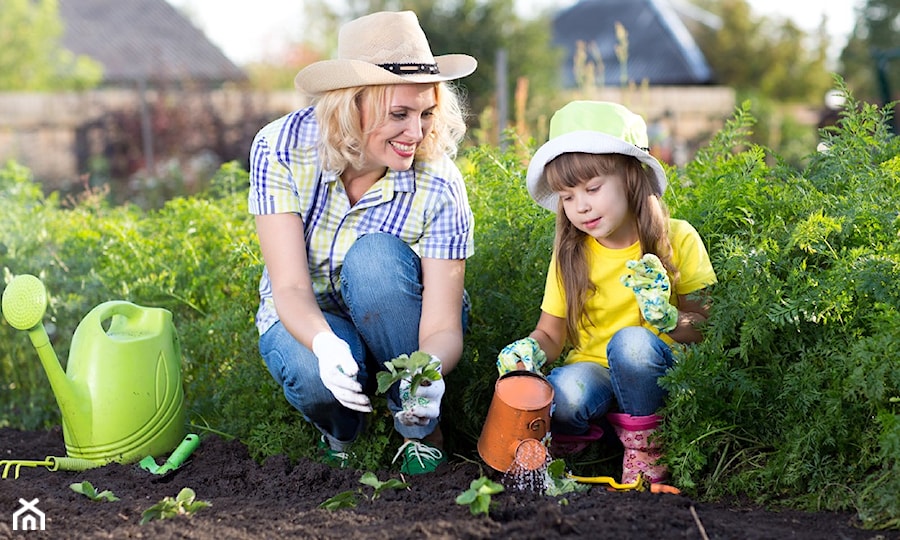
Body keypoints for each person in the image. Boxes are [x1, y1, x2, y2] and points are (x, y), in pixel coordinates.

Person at [247, 10, 477, 475]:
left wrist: (427, 368)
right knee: (315, 374)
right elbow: (289, 289)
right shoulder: (282, 148)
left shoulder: (438, 182)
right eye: (399, 114)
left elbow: (443, 326)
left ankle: (420, 429)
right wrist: (325, 347)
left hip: (401, 316)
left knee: (372, 256)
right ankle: (345, 431)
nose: (416, 133)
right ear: (352, 105)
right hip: (310, 313)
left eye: (426, 113)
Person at [496, 101, 716, 485]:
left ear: (632, 178)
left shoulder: (678, 238)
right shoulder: (572, 254)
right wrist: (528, 350)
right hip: (593, 369)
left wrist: (670, 318)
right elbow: (550, 334)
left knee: (631, 345)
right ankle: (585, 445)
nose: (581, 206)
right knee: (562, 394)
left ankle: (647, 446)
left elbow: (705, 327)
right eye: (567, 196)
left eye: (592, 188)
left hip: (656, 368)